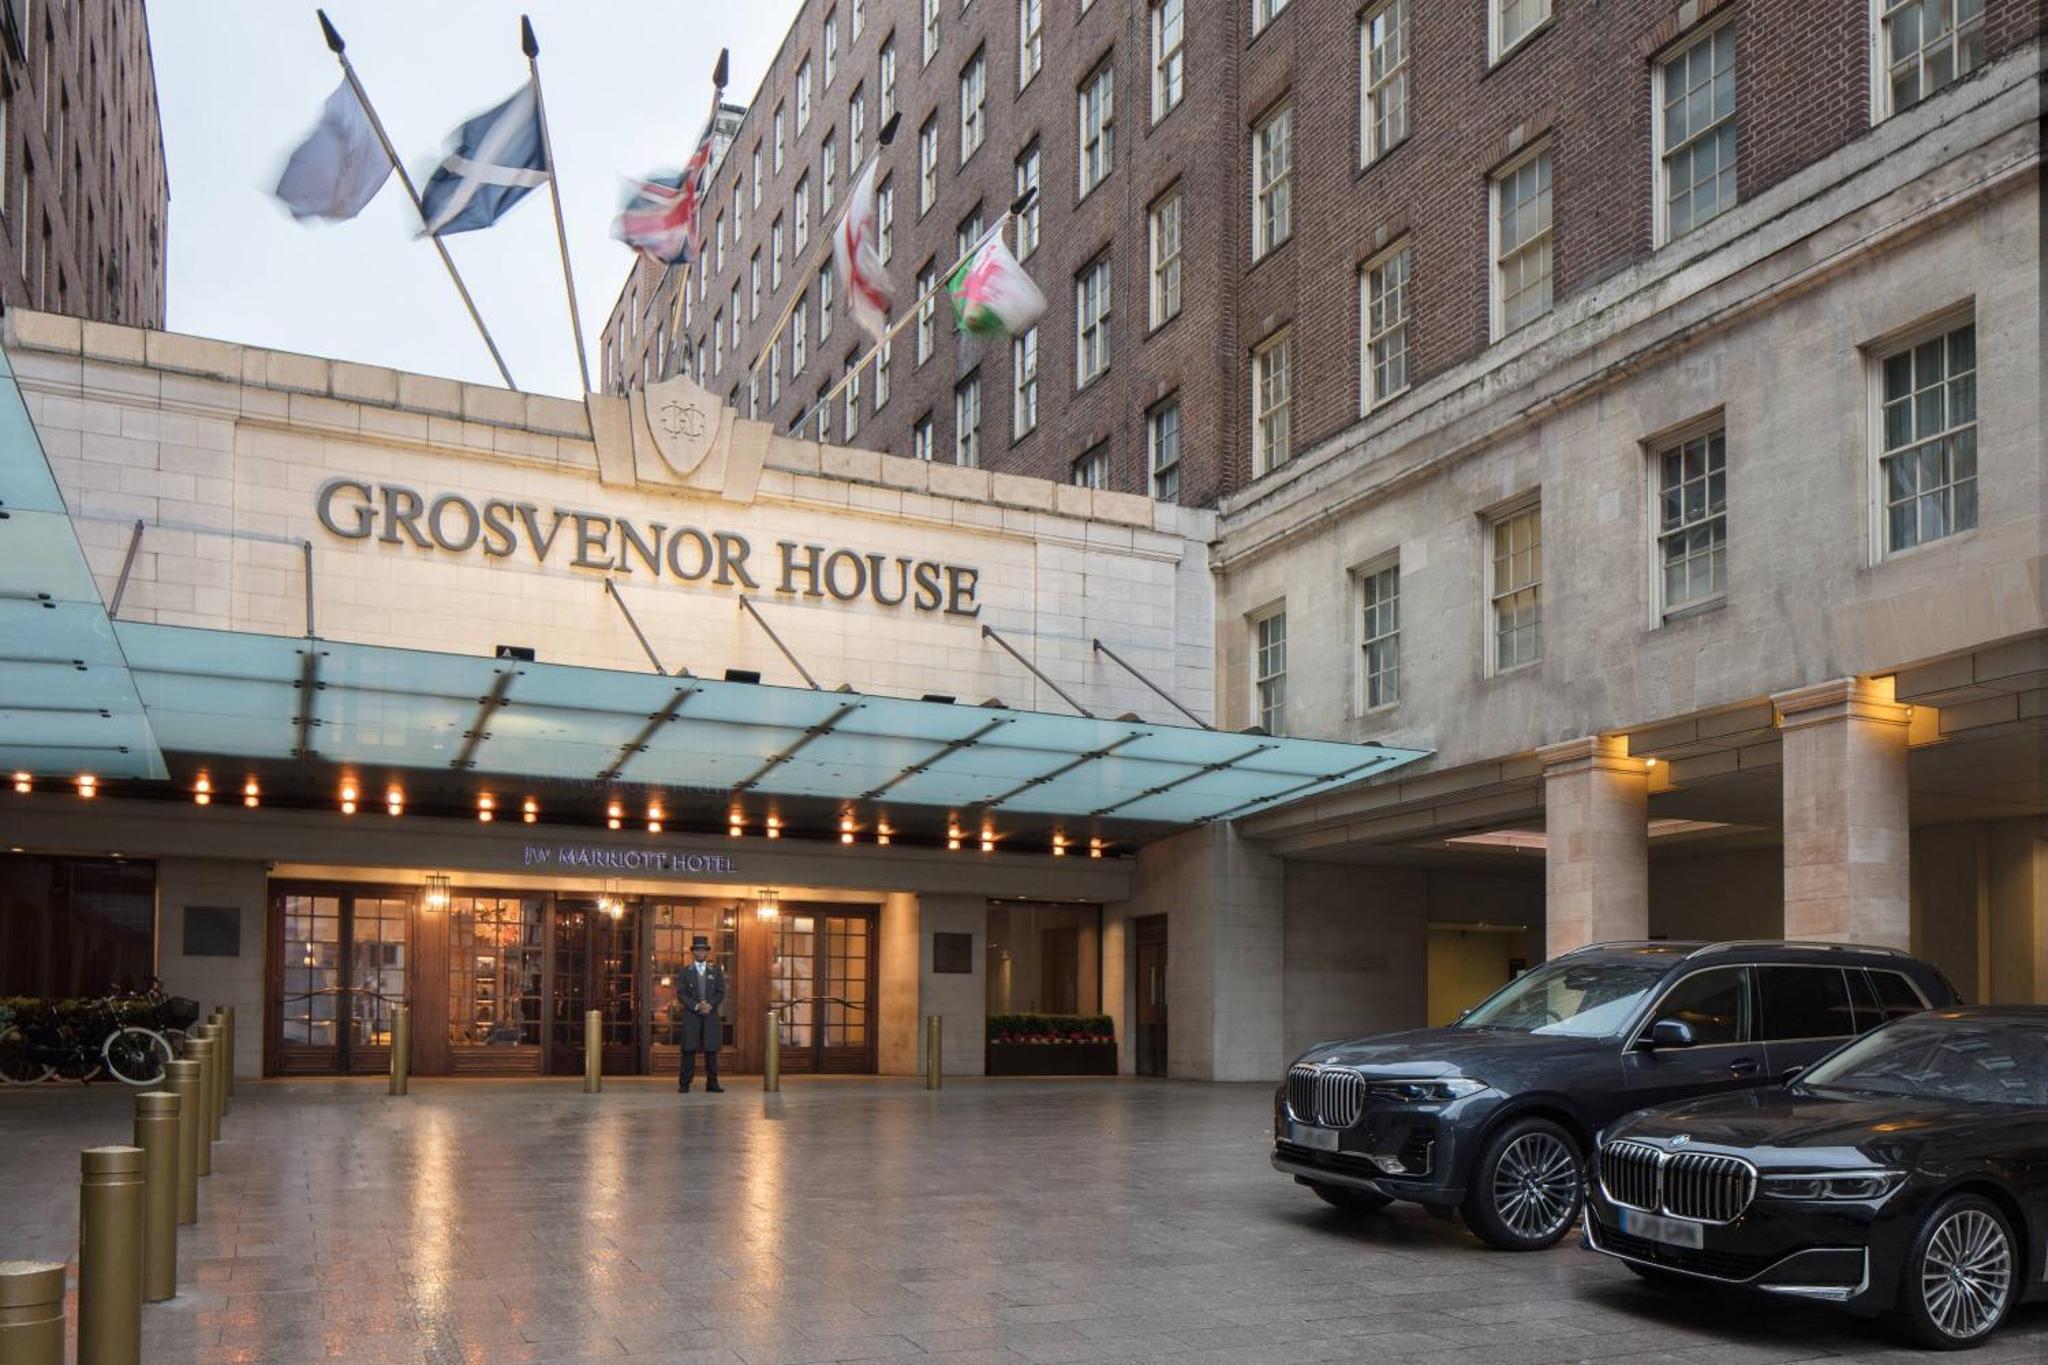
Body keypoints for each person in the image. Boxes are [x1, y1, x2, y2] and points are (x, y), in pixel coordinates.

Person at [677, 934, 726, 1092]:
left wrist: (710, 1005)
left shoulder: (716, 970)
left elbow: (720, 992)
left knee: (711, 1050)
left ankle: (712, 1083)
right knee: (689, 1050)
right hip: (692, 1015)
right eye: (697, 950)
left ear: (707, 953)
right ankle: (684, 1084)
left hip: (710, 1015)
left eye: (703, 950)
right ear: (693, 952)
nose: (700, 953)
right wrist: (697, 1006)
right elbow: (681, 993)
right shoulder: (685, 971)